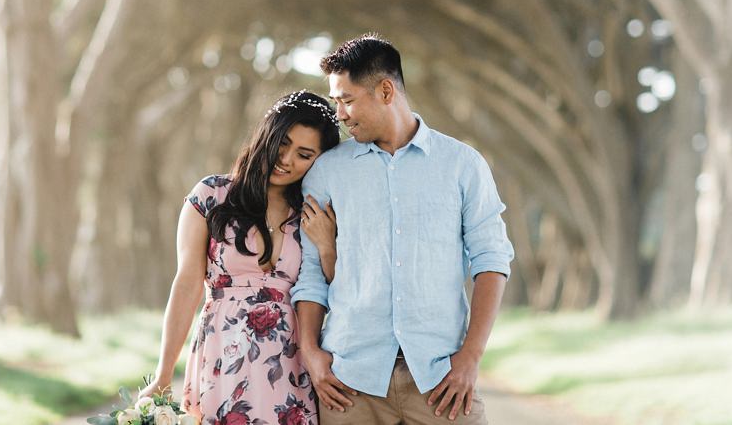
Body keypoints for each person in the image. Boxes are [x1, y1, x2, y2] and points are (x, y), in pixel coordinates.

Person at [291, 35, 515, 425]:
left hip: (441, 381)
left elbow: (491, 260)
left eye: (346, 100)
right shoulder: (327, 171)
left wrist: (470, 359)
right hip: (349, 384)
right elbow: (310, 274)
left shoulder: (463, 165)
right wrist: (311, 353)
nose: (339, 114)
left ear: (385, 90)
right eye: (335, 102)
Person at [139, 91, 341, 425]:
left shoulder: (312, 213)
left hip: (290, 365)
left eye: (304, 154)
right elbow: (187, 284)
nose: (286, 159)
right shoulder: (211, 196)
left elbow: (334, 287)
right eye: (283, 142)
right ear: (267, 134)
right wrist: (163, 375)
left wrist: (327, 245)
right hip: (223, 356)